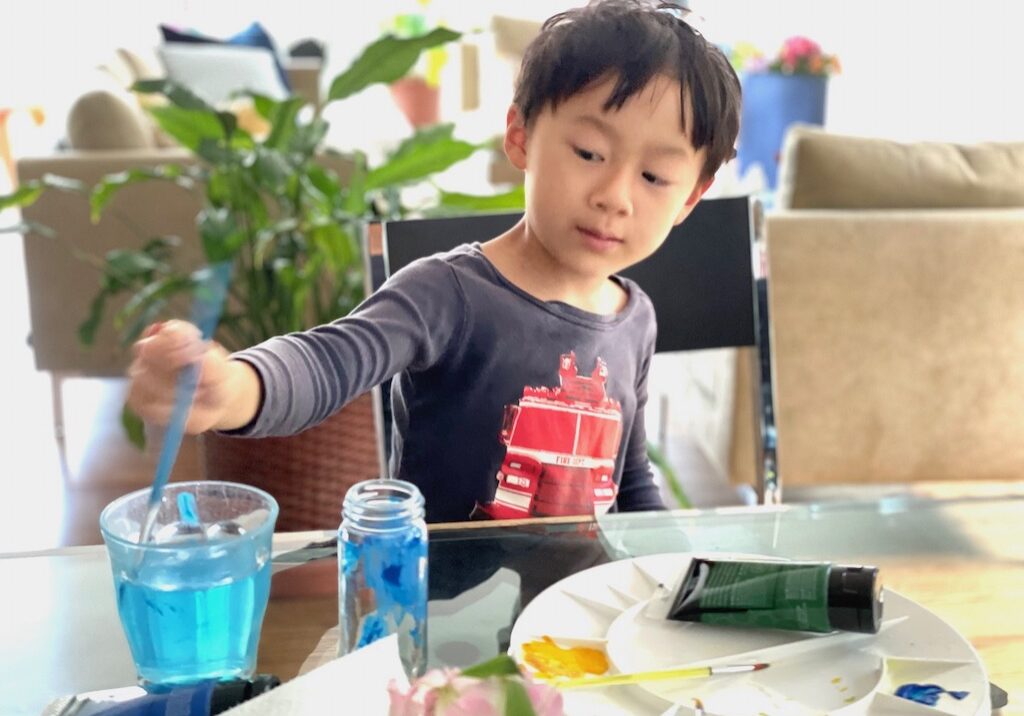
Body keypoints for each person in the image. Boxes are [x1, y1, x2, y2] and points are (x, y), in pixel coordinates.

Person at [127, 0, 742, 523]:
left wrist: (668, 572)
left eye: (656, 175)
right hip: (449, 625)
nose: (615, 195)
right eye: (588, 151)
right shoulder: (447, 293)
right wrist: (233, 387)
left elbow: (629, 482)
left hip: (578, 632)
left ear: (690, 197)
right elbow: (328, 361)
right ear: (521, 136)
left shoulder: (636, 318)